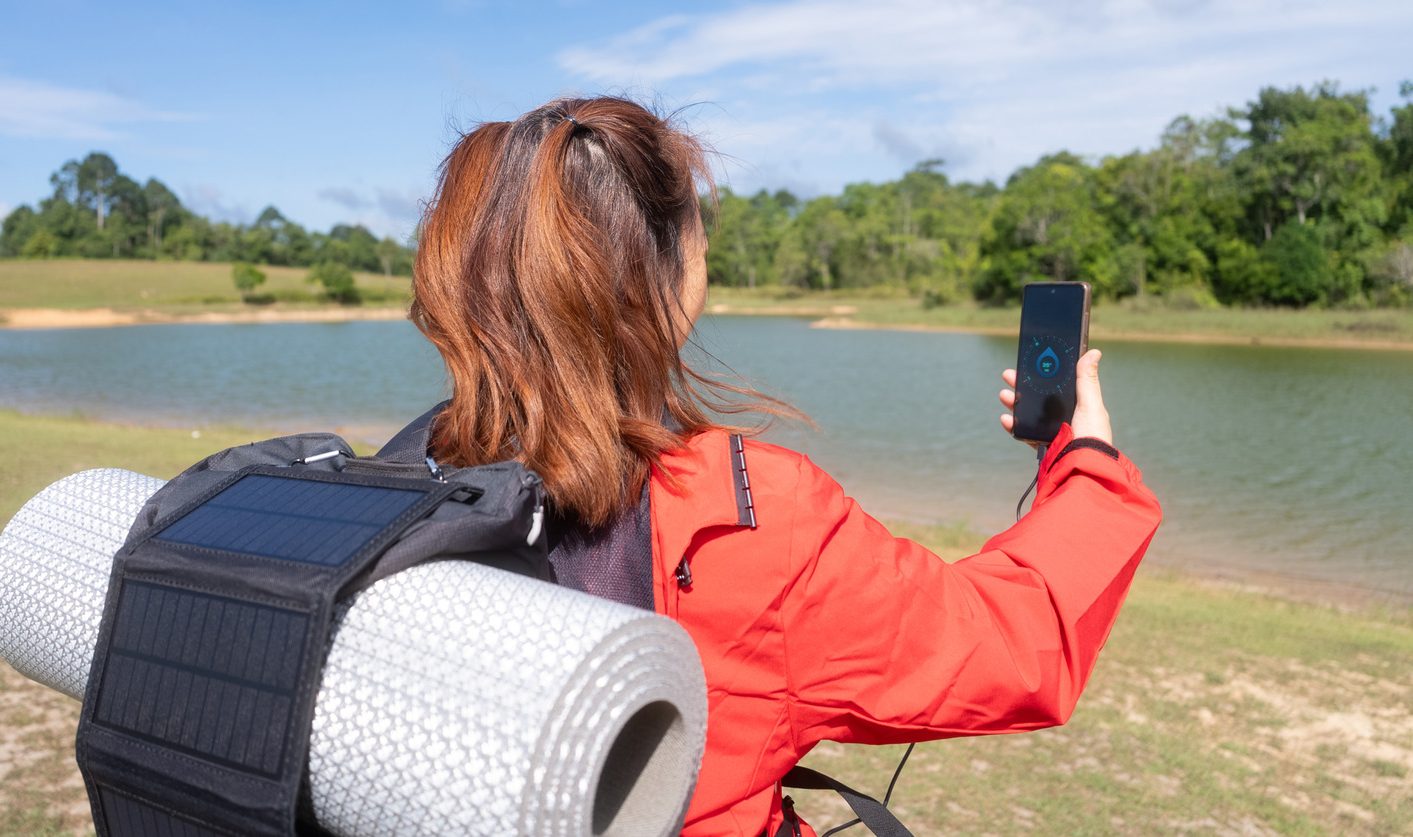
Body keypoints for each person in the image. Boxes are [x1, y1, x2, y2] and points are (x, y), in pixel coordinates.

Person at [407, 96, 1162, 837]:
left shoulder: (399, 481)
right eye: (701, 236)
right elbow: (1012, 645)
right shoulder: (751, 517)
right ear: (667, 277)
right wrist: (1085, 462)